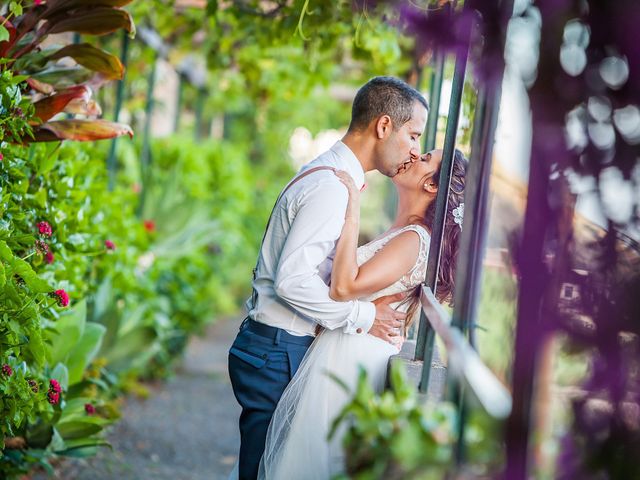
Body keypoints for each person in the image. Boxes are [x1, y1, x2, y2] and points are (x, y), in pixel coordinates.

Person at [228, 76, 429, 480]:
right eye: (413, 135)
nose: (415, 150)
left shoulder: (335, 176)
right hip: (278, 349)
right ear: (384, 126)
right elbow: (292, 281)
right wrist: (365, 317)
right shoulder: (331, 187)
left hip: (280, 346)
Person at [259, 148, 468, 479]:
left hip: (353, 355)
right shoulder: (403, 231)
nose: (414, 155)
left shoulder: (415, 239)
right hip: (346, 345)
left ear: (432, 186)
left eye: (426, 157)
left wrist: (352, 212)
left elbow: (343, 287)